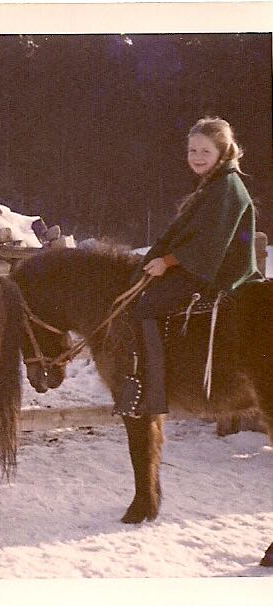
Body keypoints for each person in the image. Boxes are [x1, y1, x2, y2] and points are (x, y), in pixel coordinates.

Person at [118, 116, 260, 417]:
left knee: (147, 307)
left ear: (222, 152)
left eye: (205, 151)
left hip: (218, 271)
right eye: (192, 151)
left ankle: (153, 393)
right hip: (205, 263)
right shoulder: (214, 184)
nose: (197, 157)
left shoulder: (226, 188)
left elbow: (210, 243)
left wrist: (167, 261)